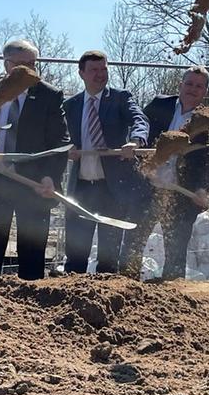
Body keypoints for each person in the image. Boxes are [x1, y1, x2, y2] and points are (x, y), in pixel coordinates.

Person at [0, 39, 70, 281]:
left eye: (32, 64)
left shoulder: (48, 95)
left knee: (32, 250)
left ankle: (32, 298)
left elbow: (60, 140)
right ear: (7, 64)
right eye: (22, 64)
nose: (29, 70)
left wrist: (50, 176)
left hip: (33, 183)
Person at [62, 51, 150, 275]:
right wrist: (65, 146)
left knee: (109, 253)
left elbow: (139, 119)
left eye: (104, 69)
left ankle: (106, 301)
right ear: (81, 73)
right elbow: (58, 134)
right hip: (80, 189)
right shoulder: (71, 105)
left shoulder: (120, 98)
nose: (100, 75)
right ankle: (71, 297)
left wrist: (135, 140)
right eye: (94, 70)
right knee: (76, 253)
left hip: (112, 189)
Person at [137, 66, 209, 279]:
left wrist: (202, 188)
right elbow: (139, 131)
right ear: (180, 85)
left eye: (199, 86)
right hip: (148, 187)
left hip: (182, 192)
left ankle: (173, 293)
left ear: (205, 91)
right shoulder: (159, 105)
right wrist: (143, 161)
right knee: (135, 241)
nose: (193, 89)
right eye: (189, 83)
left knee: (176, 249)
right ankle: (126, 285)